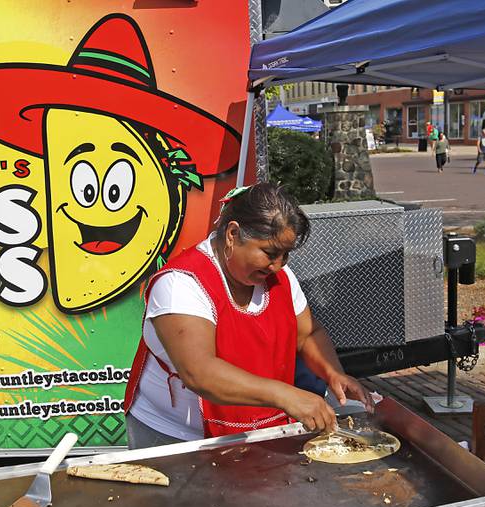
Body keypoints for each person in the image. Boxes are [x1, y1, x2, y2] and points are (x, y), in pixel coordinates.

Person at [123, 184, 374, 449]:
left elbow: (308, 333)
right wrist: (285, 394)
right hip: (176, 437)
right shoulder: (181, 284)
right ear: (232, 234)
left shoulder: (280, 278)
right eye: (270, 253)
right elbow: (200, 373)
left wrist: (333, 372)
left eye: (286, 254)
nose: (279, 265)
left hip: (258, 430)